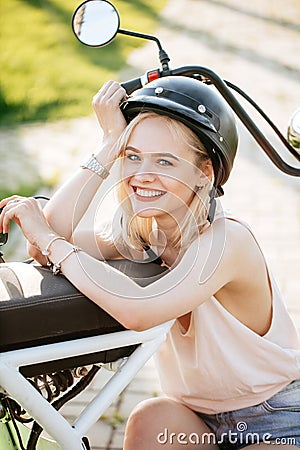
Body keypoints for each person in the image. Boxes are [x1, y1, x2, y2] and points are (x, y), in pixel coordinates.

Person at [0, 77, 299, 450]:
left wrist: (50, 240)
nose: (142, 174)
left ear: (204, 173)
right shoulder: (148, 234)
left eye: (165, 161)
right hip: (196, 418)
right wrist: (109, 144)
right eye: (133, 156)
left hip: (276, 418)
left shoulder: (227, 240)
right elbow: (49, 238)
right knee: (150, 419)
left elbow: (138, 311)